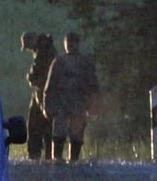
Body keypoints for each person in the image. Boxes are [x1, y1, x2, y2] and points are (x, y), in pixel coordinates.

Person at [42, 32, 100, 162]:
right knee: (60, 133)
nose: (70, 46)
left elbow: (93, 86)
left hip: (77, 103)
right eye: (69, 43)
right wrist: (47, 105)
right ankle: (58, 159)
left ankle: (70, 160)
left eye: (72, 43)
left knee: (74, 134)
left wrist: (93, 105)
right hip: (64, 103)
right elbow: (50, 85)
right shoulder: (59, 62)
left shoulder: (81, 63)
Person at [21, 31, 56, 159]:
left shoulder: (43, 52)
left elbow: (39, 74)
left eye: (28, 47)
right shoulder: (45, 48)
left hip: (44, 93)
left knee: (37, 125)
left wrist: (31, 78)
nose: (29, 50)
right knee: (44, 125)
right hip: (43, 92)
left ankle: (37, 154)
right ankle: (48, 154)